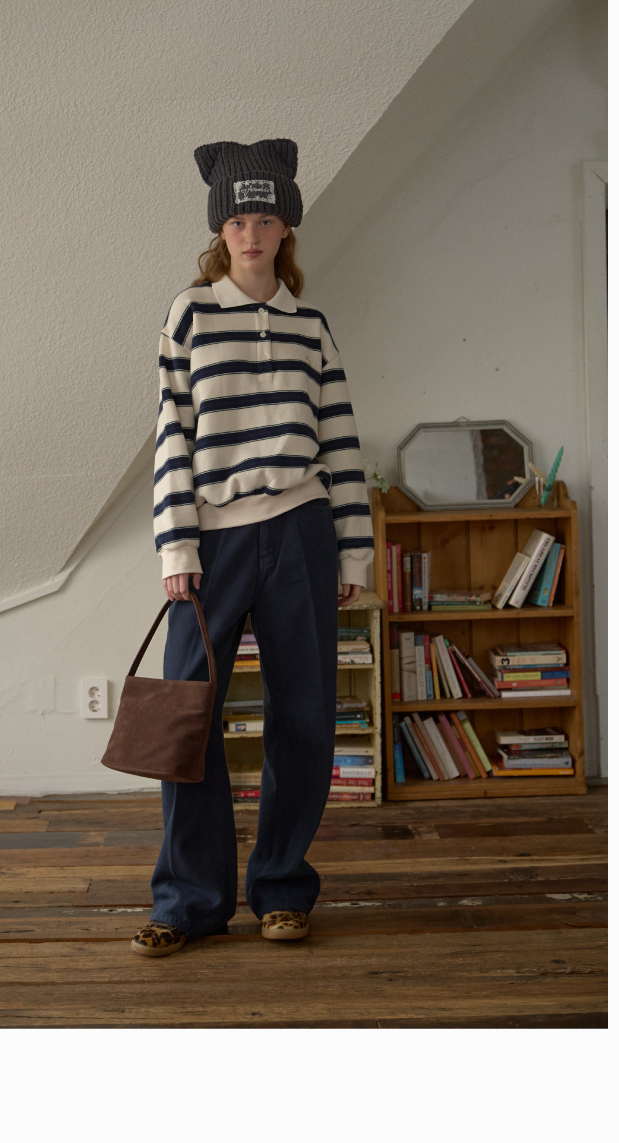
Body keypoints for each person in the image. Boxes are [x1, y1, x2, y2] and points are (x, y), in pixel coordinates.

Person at [134, 135, 374, 955]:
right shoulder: (190, 313)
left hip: (302, 530)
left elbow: (340, 441)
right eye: (238, 219)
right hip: (214, 539)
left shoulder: (312, 326)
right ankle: (189, 900)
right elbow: (171, 433)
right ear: (220, 228)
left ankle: (282, 888)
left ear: (286, 227)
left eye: (265, 218)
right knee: (187, 718)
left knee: (303, 716)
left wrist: (353, 553)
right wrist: (177, 546)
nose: (251, 232)